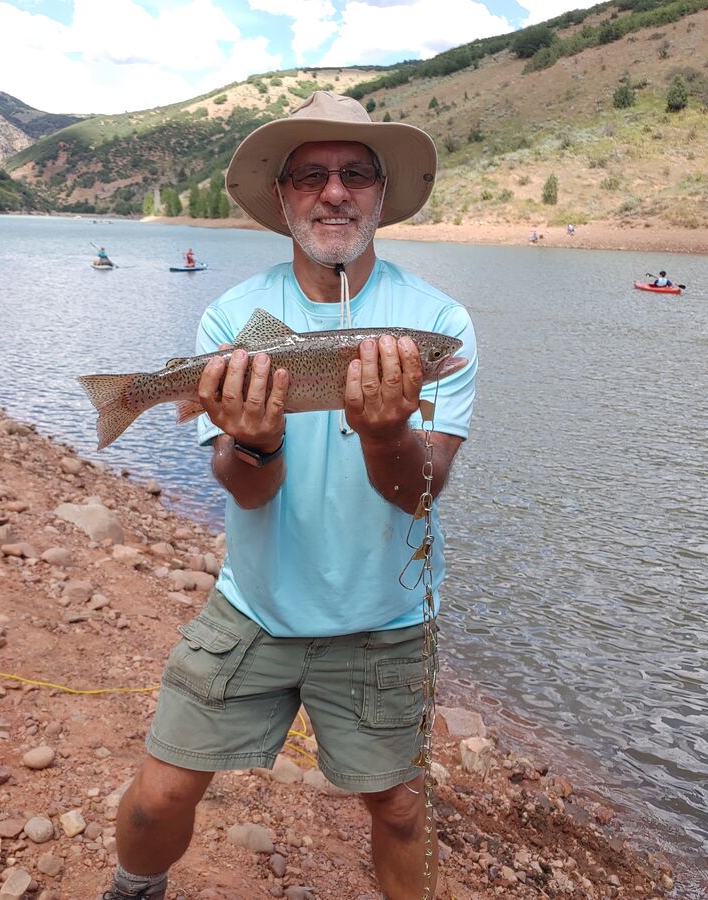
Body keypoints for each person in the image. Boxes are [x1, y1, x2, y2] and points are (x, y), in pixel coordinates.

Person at [100, 91, 477, 900]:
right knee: (163, 789)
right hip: (255, 605)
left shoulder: (441, 323)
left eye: (354, 175)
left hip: (386, 616)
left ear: (382, 194)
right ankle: (132, 890)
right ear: (283, 198)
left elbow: (424, 490)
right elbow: (245, 489)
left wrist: (385, 433)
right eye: (310, 176)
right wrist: (255, 439)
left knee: (404, 808)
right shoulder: (233, 319)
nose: (333, 192)